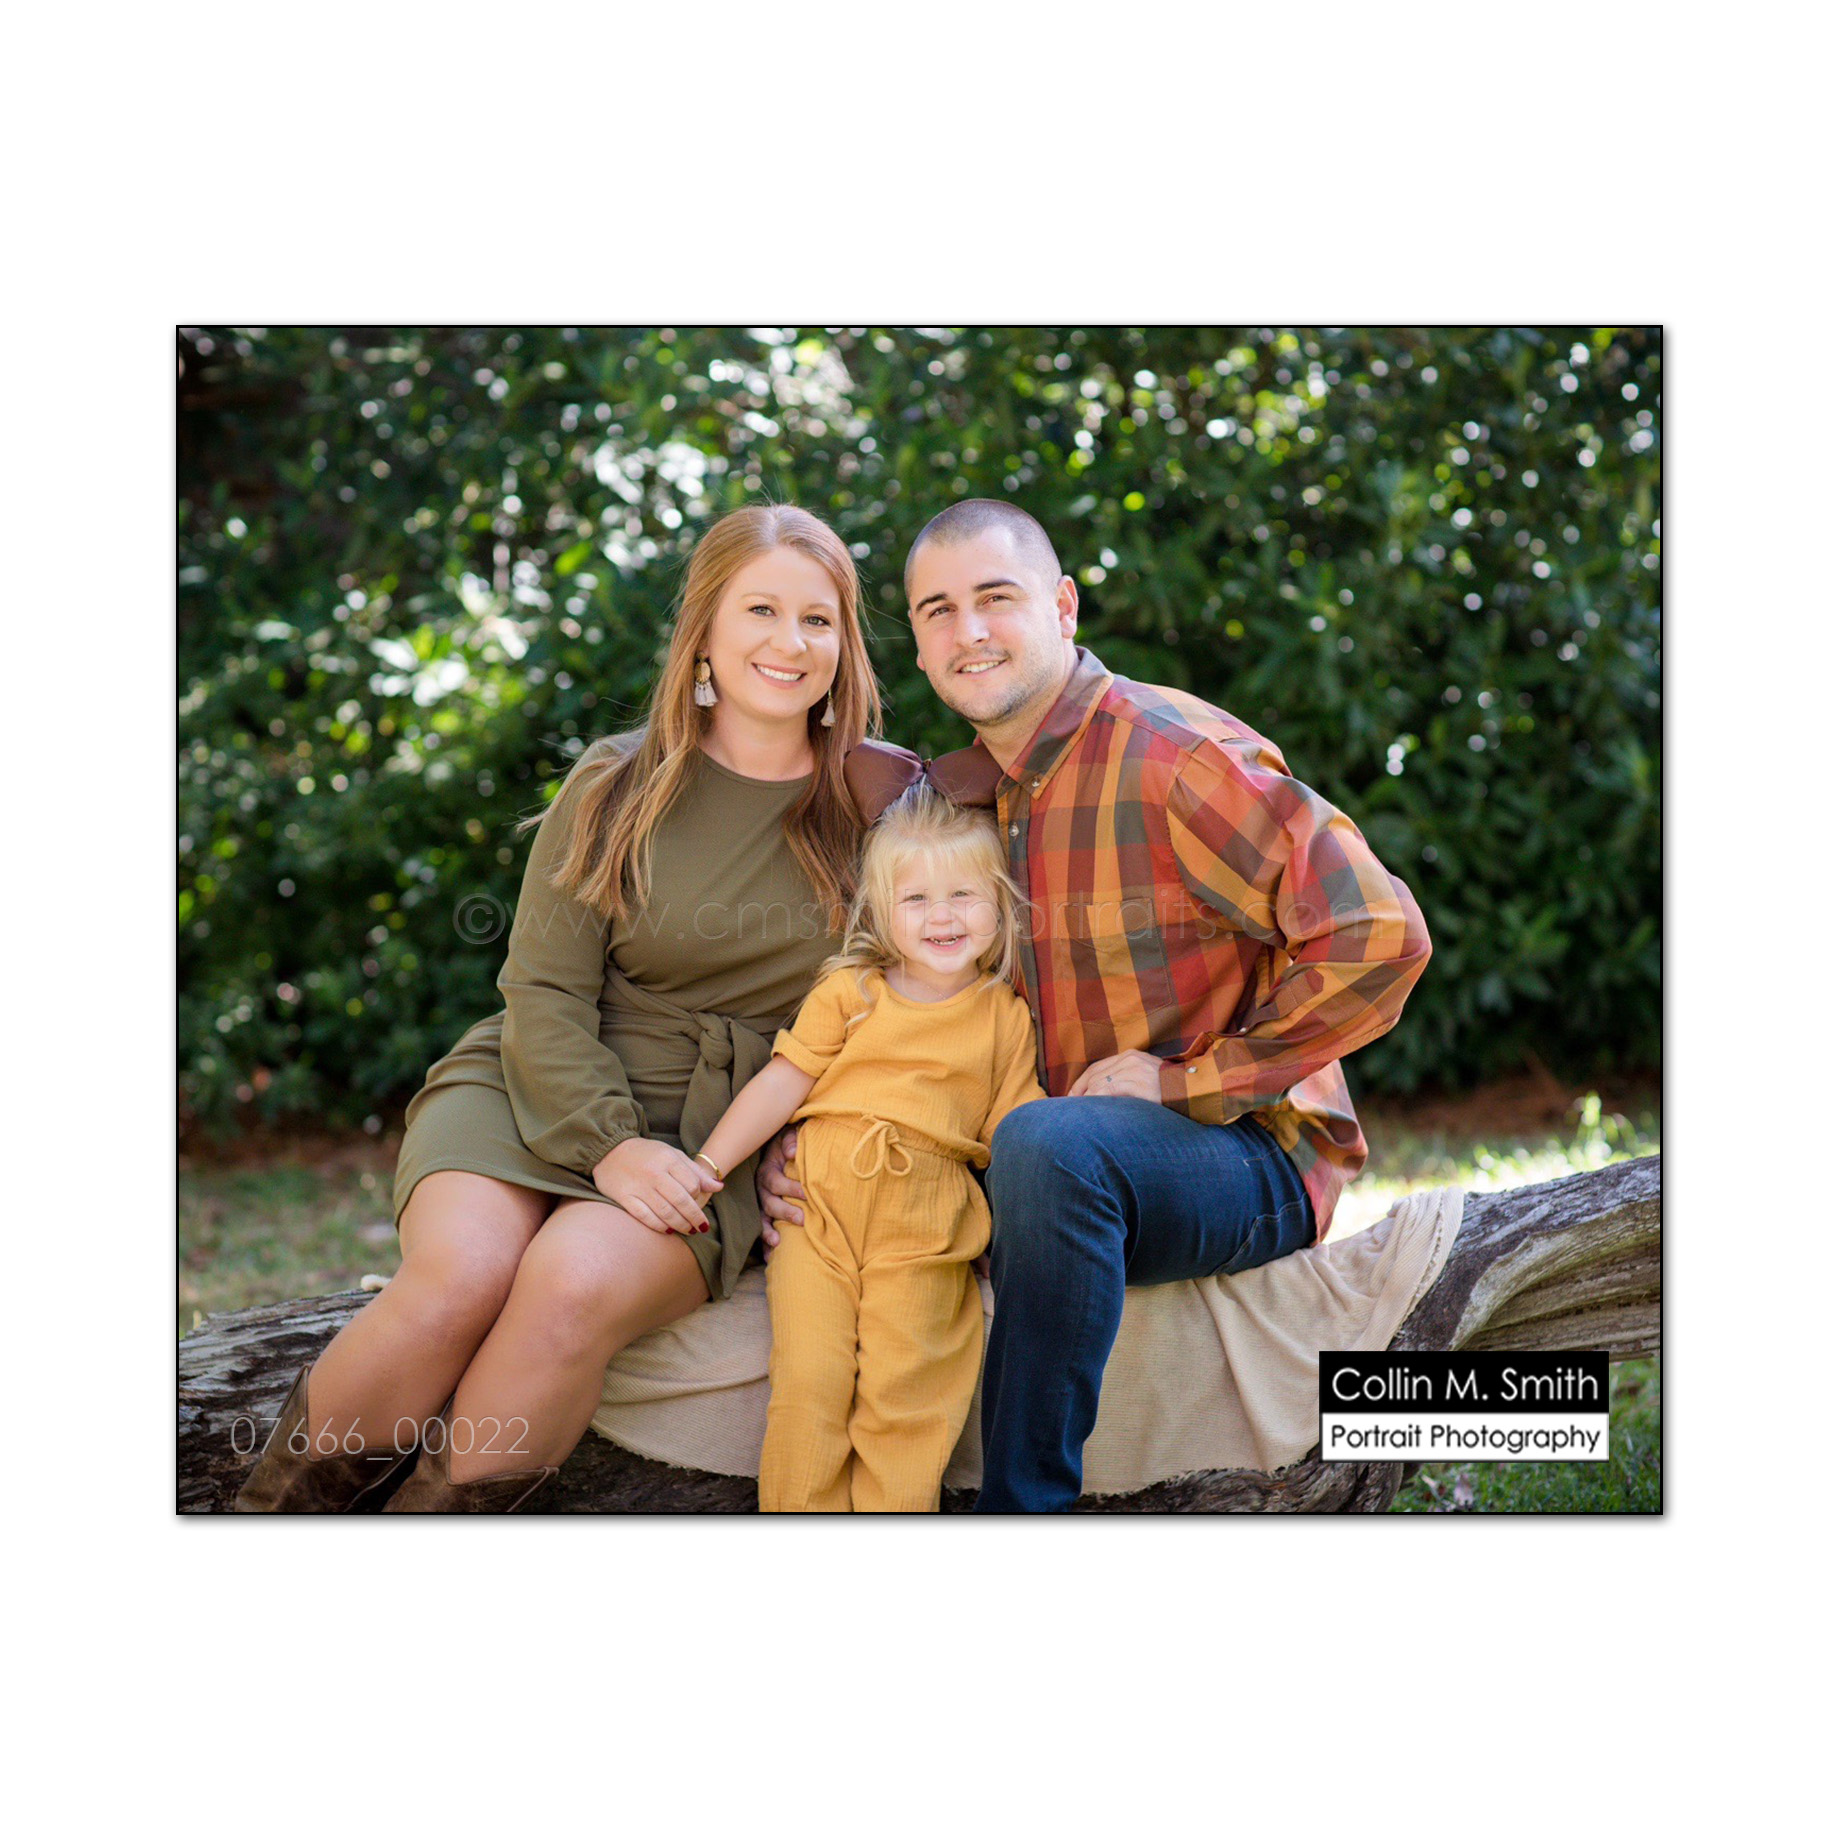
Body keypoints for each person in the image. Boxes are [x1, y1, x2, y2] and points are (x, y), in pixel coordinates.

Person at [759, 498, 1433, 1512]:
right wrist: (817, 1137)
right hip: (1049, 1159)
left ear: (1064, 606)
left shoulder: (1174, 756)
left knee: (1049, 1144)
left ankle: (1023, 1514)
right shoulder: (964, 801)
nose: (968, 631)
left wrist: (1188, 1081)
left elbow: (1377, 932)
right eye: (937, 610)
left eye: (996, 597)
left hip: (1242, 1153)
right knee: (1026, 1152)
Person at [235, 503, 884, 1512]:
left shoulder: (878, 808)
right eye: (760, 609)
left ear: (845, 645)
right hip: (534, 1078)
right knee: (460, 1278)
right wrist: (606, 1142)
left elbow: (897, 1011)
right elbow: (541, 989)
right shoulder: (618, 782)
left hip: (709, 1136)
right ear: (704, 630)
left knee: (570, 1285)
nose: (789, 642)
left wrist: (800, 1134)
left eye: (817, 619)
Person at [692, 783, 1043, 1512]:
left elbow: (1019, 1131)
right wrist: (710, 1165)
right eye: (916, 899)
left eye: (963, 895)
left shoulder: (1003, 1016)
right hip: (817, 1208)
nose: (942, 916)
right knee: (810, 1379)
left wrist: (1011, 1236)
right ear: (881, 911)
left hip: (926, 1226)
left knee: (906, 1393)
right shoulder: (853, 991)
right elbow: (782, 1081)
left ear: (1001, 904)